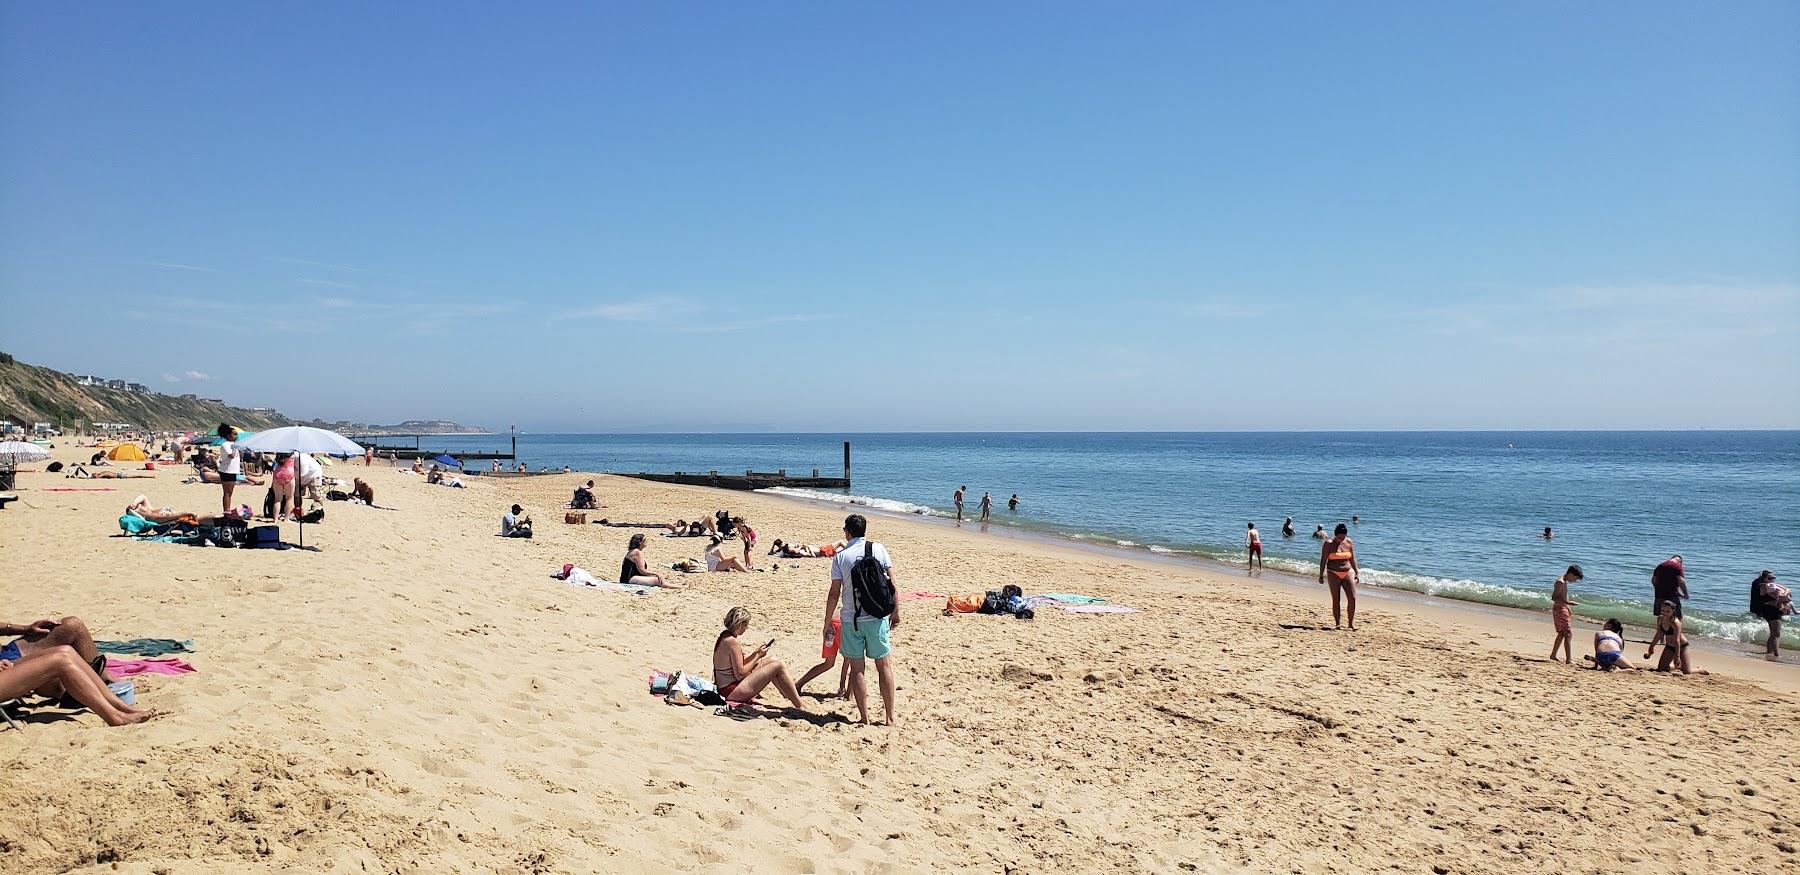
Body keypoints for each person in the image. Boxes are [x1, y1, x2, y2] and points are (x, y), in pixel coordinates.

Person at [825, 513, 899, 726]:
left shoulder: (840, 557)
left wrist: (828, 621)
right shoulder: (879, 549)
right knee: (884, 666)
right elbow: (892, 583)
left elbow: (834, 593)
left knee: (857, 669)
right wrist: (896, 611)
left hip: (851, 619)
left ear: (847, 532)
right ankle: (890, 716)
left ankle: (864, 718)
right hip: (877, 617)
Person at [712, 608, 806, 710]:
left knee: (773, 660)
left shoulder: (726, 636)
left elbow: (739, 663)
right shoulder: (732, 642)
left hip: (728, 685)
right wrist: (758, 656)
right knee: (778, 666)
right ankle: (799, 704)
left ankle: (787, 694)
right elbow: (740, 674)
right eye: (745, 625)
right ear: (739, 624)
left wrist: (755, 653)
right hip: (731, 690)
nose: (746, 627)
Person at [1318, 523, 1359, 630]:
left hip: (1347, 572)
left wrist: (1357, 572)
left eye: (1343, 536)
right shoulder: (1328, 544)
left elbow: (1352, 559)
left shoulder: (1349, 542)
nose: (1341, 539)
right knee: (1336, 599)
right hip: (1333, 572)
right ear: (1335, 535)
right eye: (1339, 537)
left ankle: (1350, 624)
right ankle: (1338, 624)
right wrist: (1321, 575)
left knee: (1352, 598)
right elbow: (1323, 560)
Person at [1645, 600, 1703, 674]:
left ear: (1673, 611)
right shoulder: (1660, 619)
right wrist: (1651, 646)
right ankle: (1676, 666)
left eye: (1667, 611)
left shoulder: (1675, 622)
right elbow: (1658, 634)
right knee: (1661, 669)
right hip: (1669, 646)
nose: (1664, 613)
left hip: (1681, 646)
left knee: (1686, 672)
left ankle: (1699, 669)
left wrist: (1677, 656)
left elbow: (1677, 640)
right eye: (1663, 610)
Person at [1750, 571, 1790, 661]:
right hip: (1771, 610)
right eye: (1770, 578)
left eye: (1773, 578)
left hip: (1771, 610)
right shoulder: (1764, 586)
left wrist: (1783, 594)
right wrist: (1783, 596)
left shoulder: (1771, 585)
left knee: (1773, 633)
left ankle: (1769, 652)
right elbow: (1781, 596)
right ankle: (1776, 655)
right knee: (1776, 633)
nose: (1772, 580)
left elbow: (1787, 590)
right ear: (1764, 578)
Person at [1549, 564, 1584, 664]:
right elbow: (1554, 597)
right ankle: (1569, 659)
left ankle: (1553, 655)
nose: (1575, 581)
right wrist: (1568, 603)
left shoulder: (1564, 582)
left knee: (1562, 633)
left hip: (1563, 608)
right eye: (1575, 578)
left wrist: (1568, 608)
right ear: (1570, 574)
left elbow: (1563, 596)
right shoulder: (1560, 582)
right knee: (1568, 633)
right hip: (1559, 610)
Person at [215, 424, 242, 514]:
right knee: (227, 492)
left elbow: (239, 456)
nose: (236, 436)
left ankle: (228, 509)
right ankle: (226, 510)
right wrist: (235, 447)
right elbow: (231, 456)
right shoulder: (225, 445)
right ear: (228, 435)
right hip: (226, 470)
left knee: (230, 492)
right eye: (234, 434)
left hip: (233, 470)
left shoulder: (234, 444)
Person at [271, 453, 298, 521]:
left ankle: (275, 519)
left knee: (277, 499)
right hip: (289, 473)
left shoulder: (279, 453)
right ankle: (286, 518)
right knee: (289, 498)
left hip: (278, 473)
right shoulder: (293, 454)